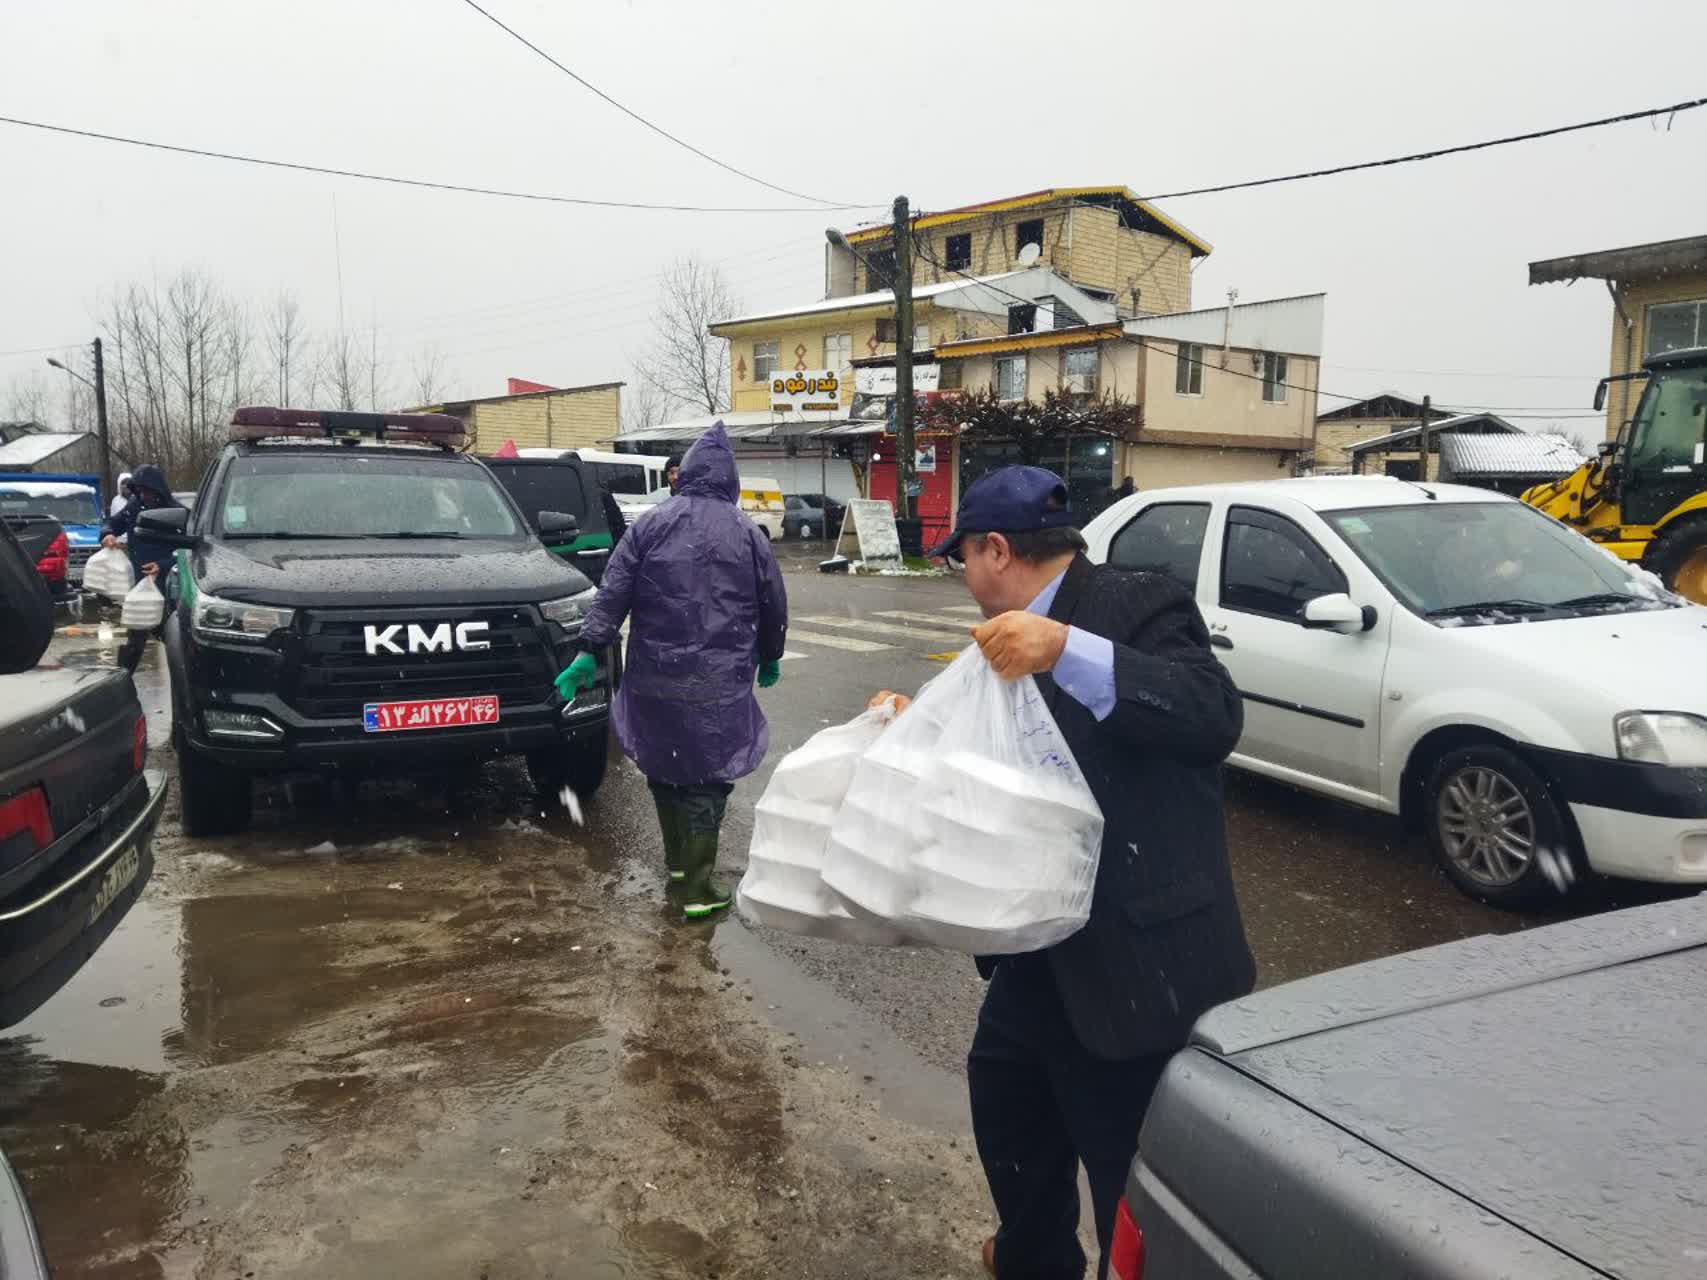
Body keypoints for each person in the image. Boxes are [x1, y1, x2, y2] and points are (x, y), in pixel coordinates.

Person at [870, 466, 1254, 1280]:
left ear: (994, 549)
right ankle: (1032, 1258)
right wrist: (915, 732)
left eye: (959, 559)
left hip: (1136, 962)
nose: (961, 578)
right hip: (1036, 947)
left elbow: (1210, 715)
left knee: (1128, 1179)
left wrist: (1068, 650)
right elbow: (996, 762)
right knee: (1007, 1109)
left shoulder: (1133, 603)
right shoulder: (995, 640)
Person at [556, 424, 787, 921]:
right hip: (719, 685)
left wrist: (588, 650)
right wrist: (770, 655)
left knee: (666, 769)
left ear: (687, 475)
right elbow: (773, 604)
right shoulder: (748, 533)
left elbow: (612, 591)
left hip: (654, 678)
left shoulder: (650, 526)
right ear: (730, 478)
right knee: (708, 779)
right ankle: (700, 887)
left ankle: (679, 868)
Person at [100, 464, 186, 671]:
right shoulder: (134, 507)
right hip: (140, 588)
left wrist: (163, 566)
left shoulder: (177, 512)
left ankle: (185, 682)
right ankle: (123, 680)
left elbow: (187, 552)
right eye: (140, 491)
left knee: (174, 637)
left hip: (167, 587)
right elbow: (112, 523)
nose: (144, 495)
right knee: (135, 639)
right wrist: (107, 534)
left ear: (158, 489)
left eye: (147, 491)